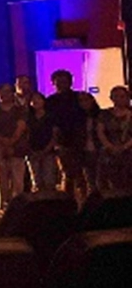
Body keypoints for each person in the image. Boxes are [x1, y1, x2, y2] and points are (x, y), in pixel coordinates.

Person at [45, 70, 86, 198]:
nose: (62, 85)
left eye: (64, 82)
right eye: (59, 82)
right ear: (53, 83)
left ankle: (84, 200)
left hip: (80, 139)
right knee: (67, 172)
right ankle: (68, 200)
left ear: (71, 82)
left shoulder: (79, 97)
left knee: (81, 172)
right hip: (61, 140)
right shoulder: (50, 101)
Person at [0, 83, 29, 208]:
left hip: (17, 149)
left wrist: (11, 142)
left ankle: (18, 208)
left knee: (18, 181)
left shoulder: (20, 110)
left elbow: (21, 127)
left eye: (7, 92)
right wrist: (3, 142)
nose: (3, 95)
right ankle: (2, 208)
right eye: (1, 92)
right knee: (1, 181)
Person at [97, 86, 132, 192]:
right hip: (109, 150)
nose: (119, 99)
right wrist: (110, 146)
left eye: (122, 96)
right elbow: (100, 131)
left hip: (128, 150)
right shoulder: (105, 114)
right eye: (116, 96)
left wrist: (125, 146)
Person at [27, 92, 59, 192]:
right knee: (37, 181)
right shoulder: (28, 117)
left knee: (49, 180)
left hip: (48, 151)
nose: (35, 101)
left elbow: (55, 135)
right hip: (33, 152)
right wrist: (30, 149)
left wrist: (47, 149)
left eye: (38, 98)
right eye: (33, 99)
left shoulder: (51, 116)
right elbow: (26, 135)